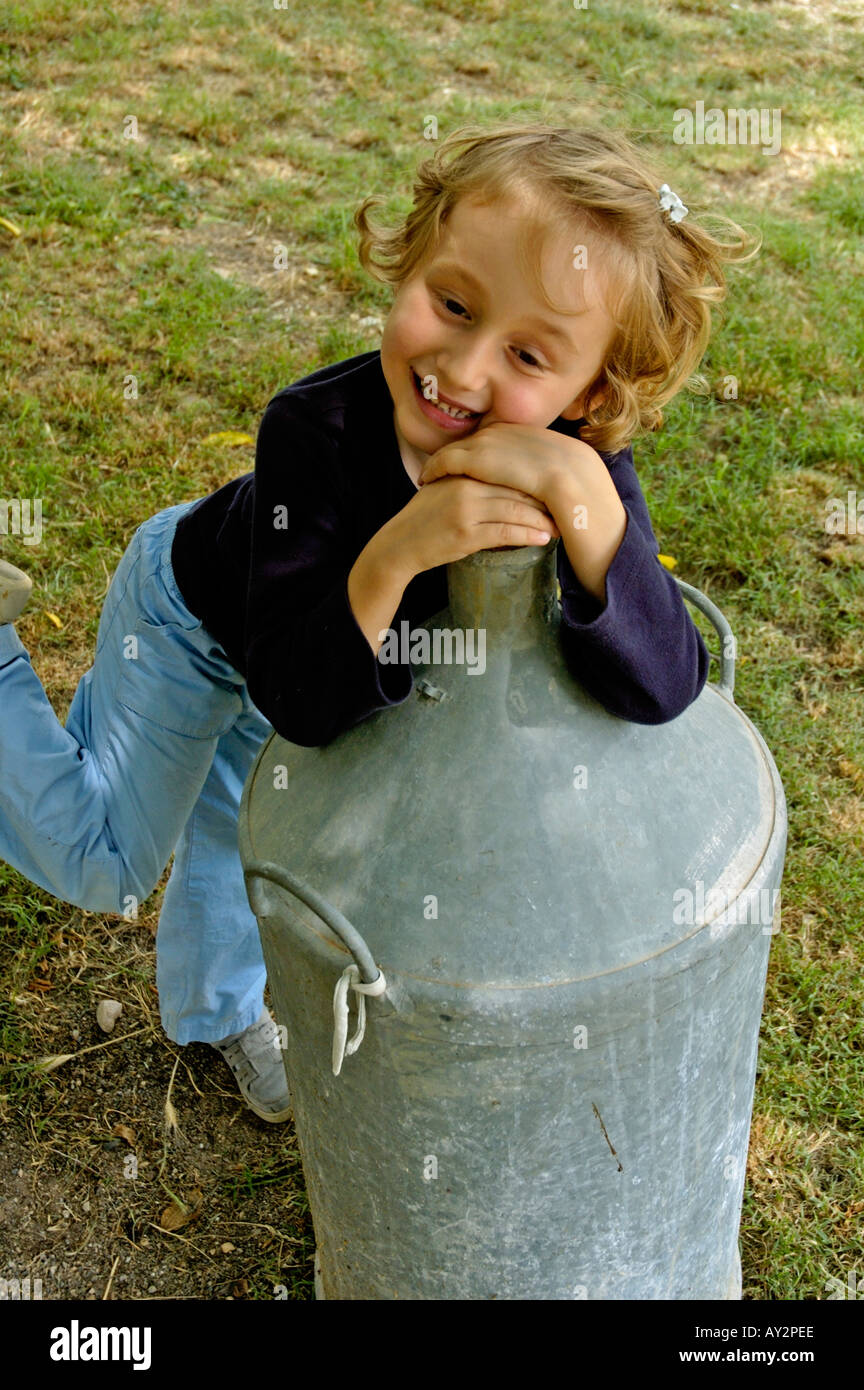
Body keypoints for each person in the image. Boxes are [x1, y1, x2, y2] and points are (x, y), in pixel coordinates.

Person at [0, 122, 756, 1122]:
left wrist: (593, 511)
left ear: (593, 392)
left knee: (239, 831)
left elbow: (668, 682)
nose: (464, 368)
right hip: (197, 619)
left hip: (295, 642)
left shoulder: (582, 464)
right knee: (109, 857)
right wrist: (396, 552)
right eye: (451, 302)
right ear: (408, 261)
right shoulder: (314, 431)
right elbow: (300, 698)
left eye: (528, 353)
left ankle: (214, 1012)